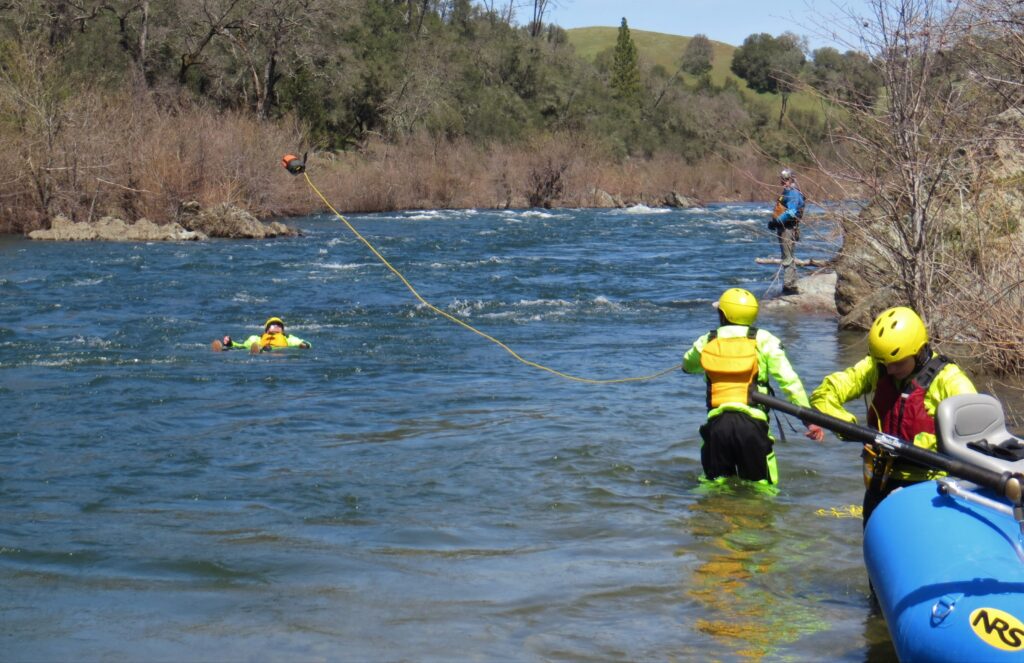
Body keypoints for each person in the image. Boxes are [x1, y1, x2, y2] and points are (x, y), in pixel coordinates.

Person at [806, 306, 976, 523]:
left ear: (920, 351)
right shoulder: (880, 366)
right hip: (881, 481)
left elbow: (973, 436)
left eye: (898, 363)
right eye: (885, 364)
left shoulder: (950, 381)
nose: (890, 370)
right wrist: (845, 423)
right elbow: (825, 392)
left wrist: (920, 445)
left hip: (928, 486)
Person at [683, 288, 823, 486]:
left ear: (722, 314)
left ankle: (710, 516)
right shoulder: (764, 340)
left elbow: (688, 366)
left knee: (713, 487)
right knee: (762, 489)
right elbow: (789, 381)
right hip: (753, 426)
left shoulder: (707, 340)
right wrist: (809, 420)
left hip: (717, 427)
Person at [768, 168, 805, 295]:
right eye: (782, 180)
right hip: (786, 228)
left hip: (788, 229)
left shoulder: (793, 194)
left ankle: (789, 286)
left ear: (792, 179)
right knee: (789, 256)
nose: (784, 182)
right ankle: (792, 283)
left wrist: (777, 221)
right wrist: (775, 223)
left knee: (787, 257)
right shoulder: (787, 192)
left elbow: (792, 212)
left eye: (786, 180)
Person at [217, 317, 311, 352]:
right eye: (273, 325)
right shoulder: (257, 338)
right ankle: (225, 347)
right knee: (242, 349)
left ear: (282, 330)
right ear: (266, 330)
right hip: (262, 349)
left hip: (276, 351)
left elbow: (303, 343)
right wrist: (231, 343)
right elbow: (243, 346)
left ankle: (260, 351)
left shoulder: (288, 338)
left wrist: (304, 345)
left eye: (279, 325)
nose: (276, 327)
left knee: (267, 349)